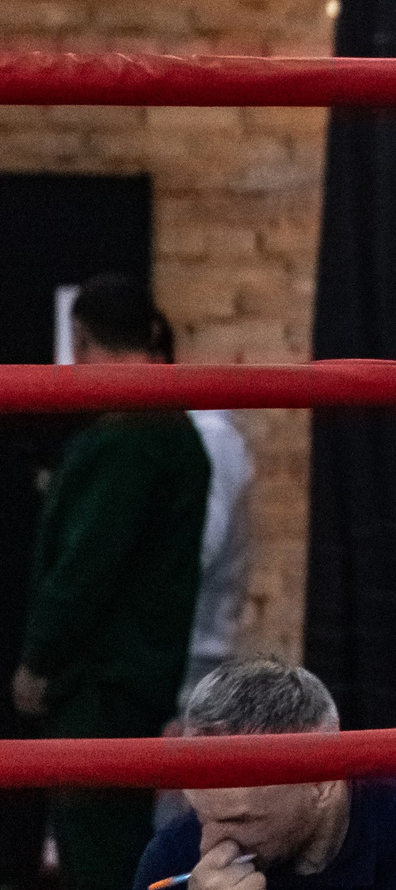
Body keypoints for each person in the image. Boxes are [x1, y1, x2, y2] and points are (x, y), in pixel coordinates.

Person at [10, 274, 208, 890]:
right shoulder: (172, 433)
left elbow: (86, 567)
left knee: (96, 848)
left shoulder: (129, 439)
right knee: (112, 840)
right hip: (137, 674)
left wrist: (39, 659)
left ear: (86, 342)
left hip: (99, 682)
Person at [136, 657, 396, 889]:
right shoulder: (175, 856)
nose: (208, 845)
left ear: (321, 782)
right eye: (202, 814)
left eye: (241, 820)